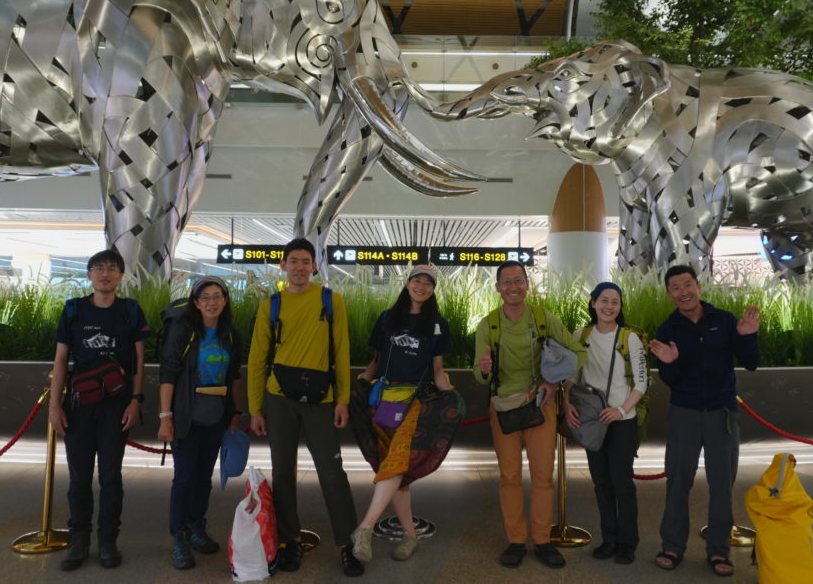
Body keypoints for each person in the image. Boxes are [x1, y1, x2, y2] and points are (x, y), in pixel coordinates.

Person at [247, 238, 364, 577]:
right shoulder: (271, 305)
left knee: (332, 472)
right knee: (282, 472)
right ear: (283, 265)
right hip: (279, 398)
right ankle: (290, 541)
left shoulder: (331, 300)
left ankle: (349, 544)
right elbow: (257, 358)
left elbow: (341, 352)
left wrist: (342, 400)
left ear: (314, 266)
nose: (299, 267)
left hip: (321, 400)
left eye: (305, 261)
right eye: (293, 261)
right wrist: (256, 409)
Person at [473, 260, 586, 569]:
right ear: (497, 287)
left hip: (541, 404)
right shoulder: (488, 324)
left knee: (542, 477)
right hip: (504, 408)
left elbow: (578, 352)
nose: (513, 287)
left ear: (527, 284)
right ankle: (515, 541)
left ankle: (542, 540)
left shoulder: (543, 318)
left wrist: (553, 381)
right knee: (509, 476)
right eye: (506, 282)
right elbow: (479, 376)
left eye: (518, 280)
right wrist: (484, 369)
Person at [648, 265, 760, 577]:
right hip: (684, 413)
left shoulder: (723, 320)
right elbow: (671, 379)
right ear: (669, 294)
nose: (683, 292)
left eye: (688, 285)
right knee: (677, 482)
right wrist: (670, 363)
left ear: (698, 286)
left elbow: (750, 363)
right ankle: (672, 546)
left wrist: (748, 337)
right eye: (675, 287)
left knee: (722, 485)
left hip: (722, 414)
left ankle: (719, 550)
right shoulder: (668, 329)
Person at [48, 249, 150, 571]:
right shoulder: (74, 310)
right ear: (89, 274)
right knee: (79, 478)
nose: (106, 273)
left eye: (112, 268)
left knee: (110, 476)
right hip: (79, 406)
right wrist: (55, 405)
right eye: (99, 268)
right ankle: (78, 540)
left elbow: (138, 361)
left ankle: (108, 540)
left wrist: (136, 400)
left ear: (121, 275)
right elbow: (61, 360)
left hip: (116, 407)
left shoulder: (130, 310)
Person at [350, 265, 458, 564]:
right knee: (394, 467)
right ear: (407, 283)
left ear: (433, 290)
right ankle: (410, 536)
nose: (421, 287)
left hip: (417, 401)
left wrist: (451, 395)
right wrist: (361, 383)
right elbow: (376, 361)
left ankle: (365, 528)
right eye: (417, 281)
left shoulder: (437, 324)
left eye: (428, 283)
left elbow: (438, 370)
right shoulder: (388, 318)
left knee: (397, 460)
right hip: (385, 399)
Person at [157, 276, 246, 570]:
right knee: (184, 476)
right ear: (195, 303)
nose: (211, 302)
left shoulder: (230, 334)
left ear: (225, 300)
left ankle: (196, 526)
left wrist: (236, 411)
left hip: (215, 415)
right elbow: (168, 374)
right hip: (186, 414)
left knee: (204, 476)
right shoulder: (183, 331)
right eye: (205, 297)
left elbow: (234, 375)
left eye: (217, 296)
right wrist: (165, 417)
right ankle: (179, 536)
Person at [564, 281, 649, 565]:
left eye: (615, 301)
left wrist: (620, 410)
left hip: (622, 420)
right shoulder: (581, 334)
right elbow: (572, 376)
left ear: (620, 307)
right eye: (604, 300)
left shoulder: (629, 338)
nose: (609, 306)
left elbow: (641, 383)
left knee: (622, 483)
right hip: (593, 420)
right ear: (593, 303)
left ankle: (628, 542)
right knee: (601, 483)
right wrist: (566, 403)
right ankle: (609, 539)